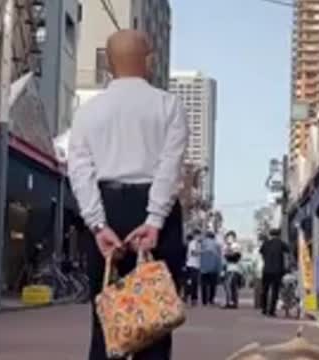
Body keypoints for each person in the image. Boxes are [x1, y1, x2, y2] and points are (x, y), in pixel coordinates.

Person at [68, 29, 188, 360]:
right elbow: (170, 166)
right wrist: (154, 220)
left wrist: (96, 223)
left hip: (106, 206)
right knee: (156, 317)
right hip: (155, 208)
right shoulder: (168, 106)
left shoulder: (88, 112)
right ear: (149, 60)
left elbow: (79, 170)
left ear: (108, 64)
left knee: (105, 317)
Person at [259, 230, 289, 317]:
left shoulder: (266, 243)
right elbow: (288, 250)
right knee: (275, 291)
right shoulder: (281, 243)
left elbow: (261, 252)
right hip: (277, 271)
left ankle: (264, 309)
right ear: (279, 235)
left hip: (266, 270)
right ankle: (272, 310)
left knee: (265, 290)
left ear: (270, 235)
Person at [200, 232, 221, 306]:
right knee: (213, 285)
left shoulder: (202, 243)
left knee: (204, 284)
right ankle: (211, 299)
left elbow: (199, 255)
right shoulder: (217, 245)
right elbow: (219, 258)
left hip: (203, 268)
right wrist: (219, 269)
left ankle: (204, 301)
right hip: (213, 268)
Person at [223, 236, 243, 309]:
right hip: (230, 269)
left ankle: (231, 302)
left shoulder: (236, 247)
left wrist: (228, 252)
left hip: (233, 269)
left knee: (229, 285)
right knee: (231, 286)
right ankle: (233, 302)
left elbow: (235, 257)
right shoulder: (228, 248)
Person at [184, 231, 201, 306]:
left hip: (196, 265)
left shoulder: (199, 244)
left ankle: (193, 298)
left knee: (194, 282)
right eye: (198, 236)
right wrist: (202, 252)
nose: (199, 237)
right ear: (195, 236)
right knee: (191, 282)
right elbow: (193, 253)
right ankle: (188, 296)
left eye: (199, 236)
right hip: (191, 265)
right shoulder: (192, 243)